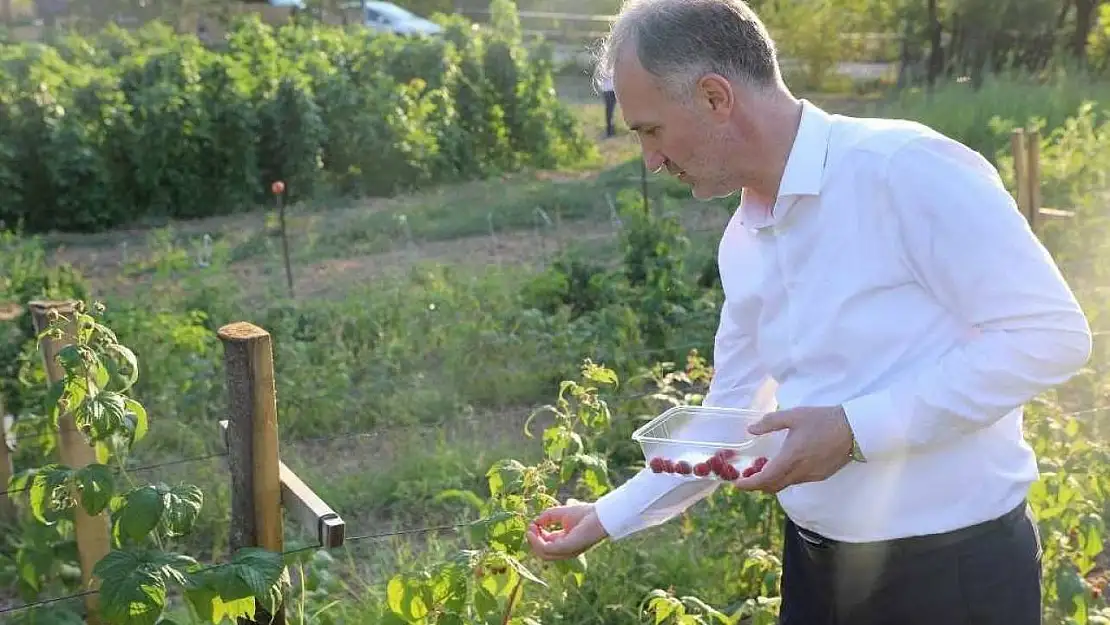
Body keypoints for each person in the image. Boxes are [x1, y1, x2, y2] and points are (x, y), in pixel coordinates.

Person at [525, 1, 1094, 624]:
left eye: (651, 130)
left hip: (952, 577)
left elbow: (1051, 335)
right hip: (815, 572)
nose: (651, 161)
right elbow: (732, 415)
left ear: (716, 98)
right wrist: (606, 515)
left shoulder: (903, 170)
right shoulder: (743, 238)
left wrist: (853, 430)